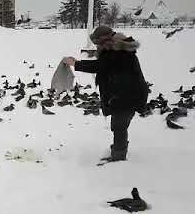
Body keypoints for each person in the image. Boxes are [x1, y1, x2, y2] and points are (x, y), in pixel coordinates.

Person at [63, 26, 149, 162]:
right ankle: (119, 149)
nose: (97, 46)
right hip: (126, 94)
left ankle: (119, 157)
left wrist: (76, 63)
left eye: (97, 43)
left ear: (104, 39)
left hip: (126, 96)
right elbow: (104, 64)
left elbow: (99, 66)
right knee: (119, 125)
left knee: (119, 126)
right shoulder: (118, 48)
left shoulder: (117, 51)